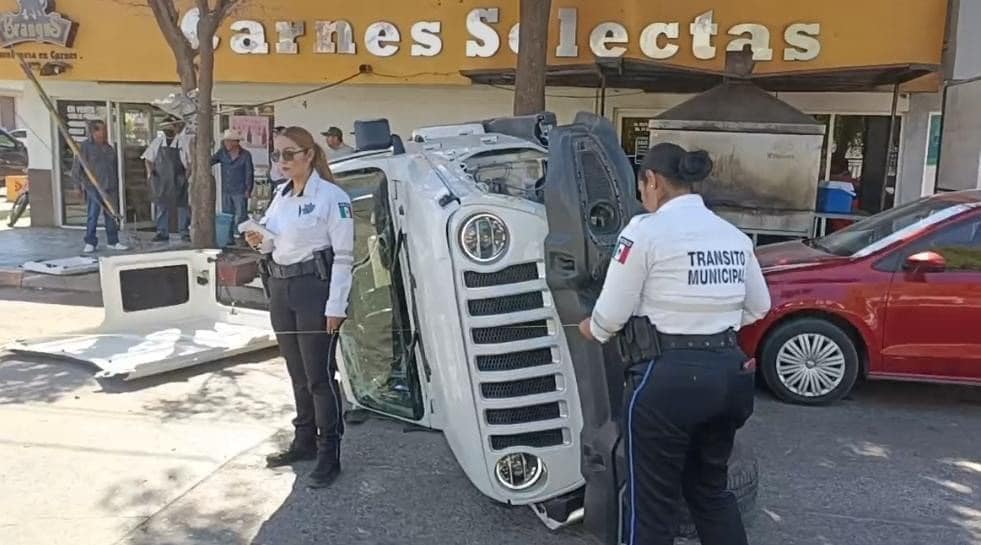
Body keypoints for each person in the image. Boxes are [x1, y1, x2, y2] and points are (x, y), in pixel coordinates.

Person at [578, 143, 771, 545]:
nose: (641, 197)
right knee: (711, 493)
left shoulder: (644, 232)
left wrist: (591, 328)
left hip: (667, 384)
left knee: (650, 505)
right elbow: (759, 306)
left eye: (642, 187)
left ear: (653, 181)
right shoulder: (732, 235)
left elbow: (610, 315)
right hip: (730, 377)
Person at [243, 126, 354, 489]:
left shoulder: (332, 197)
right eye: (278, 155)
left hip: (314, 291)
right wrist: (259, 240)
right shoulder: (281, 195)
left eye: (290, 154)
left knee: (319, 377)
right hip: (280, 287)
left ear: (309, 154)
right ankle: (303, 441)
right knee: (296, 372)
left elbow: (343, 257)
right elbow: (274, 245)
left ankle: (329, 453)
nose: (282, 161)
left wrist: (336, 305)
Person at [73, 120, 128, 253]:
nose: (105, 132)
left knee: (111, 214)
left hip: (110, 186)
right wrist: (77, 186)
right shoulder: (85, 147)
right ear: (94, 131)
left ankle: (113, 241)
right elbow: (76, 168)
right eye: (102, 129)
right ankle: (90, 242)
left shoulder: (108, 148)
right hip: (93, 187)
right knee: (93, 215)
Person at [143, 120, 191, 242]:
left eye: (169, 126)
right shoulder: (157, 142)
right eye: (165, 127)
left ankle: (184, 232)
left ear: (175, 128)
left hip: (178, 179)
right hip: (161, 180)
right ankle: (162, 232)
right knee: (162, 206)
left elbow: (190, 162)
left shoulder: (183, 143)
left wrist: (186, 177)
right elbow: (148, 159)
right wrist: (150, 173)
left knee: (182, 206)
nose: (167, 129)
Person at [212, 128, 255, 240]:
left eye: (230, 141)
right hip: (226, 189)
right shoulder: (222, 153)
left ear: (236, 142)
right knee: (228, 215)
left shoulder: (245, 155)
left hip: (240, 189)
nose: (227, 143)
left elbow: (249, 172)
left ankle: (241, 237)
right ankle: (228, 238)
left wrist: (248, 189)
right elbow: (210, 161)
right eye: (226, 141)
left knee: (241, 215)